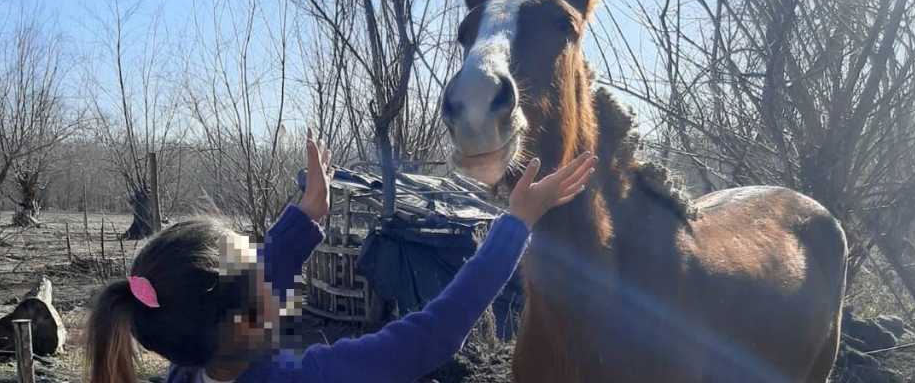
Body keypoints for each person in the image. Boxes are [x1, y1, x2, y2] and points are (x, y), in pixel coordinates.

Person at [85, 133, 597, 383]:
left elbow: (237, 288)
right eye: (256, 263)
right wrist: (514, 226)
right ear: (247, 320)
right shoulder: (305, 378)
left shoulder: (186, 357)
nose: (269, 265)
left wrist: (308, 215)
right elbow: (431, 334)